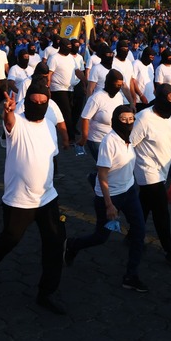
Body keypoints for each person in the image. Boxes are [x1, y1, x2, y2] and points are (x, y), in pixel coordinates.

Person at [0, 83, 67, 315]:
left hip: (47, 197)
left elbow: (50, 158)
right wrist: (8, 112)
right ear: (26, 101)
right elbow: (9, 123)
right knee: (11, 239)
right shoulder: (18, 123)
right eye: (34, 102)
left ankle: (46, 293)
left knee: (54, 243)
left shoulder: (49, 125)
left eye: (43, 102)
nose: (38, 106)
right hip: (19, 200)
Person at [64, 105, 148, 292]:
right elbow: (102, 174)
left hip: (129, 192)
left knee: (139, 232)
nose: (128, 123)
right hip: (110, 198)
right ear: (115, 120)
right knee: (101, 237)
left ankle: (131, 276)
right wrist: (109, 205)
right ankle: (72, 244)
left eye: (131, 119)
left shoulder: (130, 139)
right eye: (123, 119)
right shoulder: (109, 142)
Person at [130, 84, 171, 265]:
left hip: (163, 169)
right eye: (170, 100)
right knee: (161, 213)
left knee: (144, 205)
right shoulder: (144, 118)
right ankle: (170, 251)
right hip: (148, 171)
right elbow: (130, 143)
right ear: (160, 99)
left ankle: (131, 235)